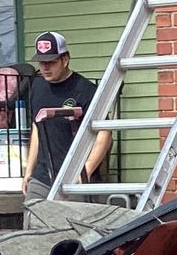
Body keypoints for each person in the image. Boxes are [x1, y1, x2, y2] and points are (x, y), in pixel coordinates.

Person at [23, 31, 112, 202]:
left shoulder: (86, 89)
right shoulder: (37, 87)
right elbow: (37, 128)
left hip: (76, 176)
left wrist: (86, 170)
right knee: (33, 222)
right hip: (42, 177)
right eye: (42, 62)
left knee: (73, 226)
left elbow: (104, 134)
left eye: (51, 62)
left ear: (65, 59)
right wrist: (28, 171)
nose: (45, 68)